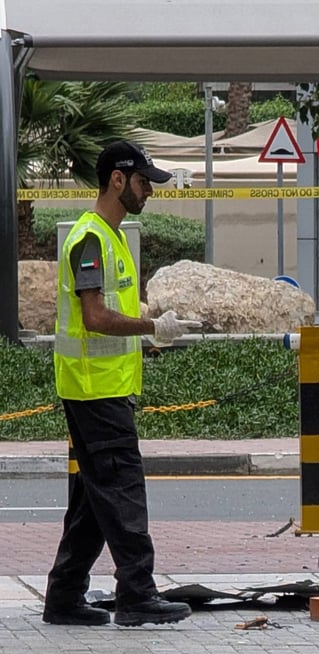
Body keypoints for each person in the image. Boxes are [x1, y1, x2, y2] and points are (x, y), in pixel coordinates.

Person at [43, 141, 202, 627]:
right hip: (96, 390)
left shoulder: (109, 238)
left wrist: (151, 323)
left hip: (100, 386)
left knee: (95, 499)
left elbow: (107, 311)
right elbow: (94, 318)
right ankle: (136, 595)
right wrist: (153, 328)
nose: (149, 191)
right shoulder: (90, 239)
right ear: (117, 179)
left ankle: (64, 597)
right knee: (124, 489)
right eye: (143, 182)